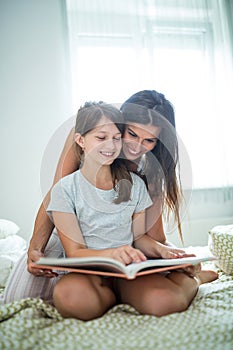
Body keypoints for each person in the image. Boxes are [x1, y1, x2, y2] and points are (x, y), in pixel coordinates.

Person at [3, 90, 218, 311]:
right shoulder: (89, 134)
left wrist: (175, 258)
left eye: (149, 140)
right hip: (74, 235)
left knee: (160, 289)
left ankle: (188, 280)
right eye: (132, 134)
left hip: (125, 248)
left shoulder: (146, 176)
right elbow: (55, 194)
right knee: (44, 296)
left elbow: (150, 235)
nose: (136, 147)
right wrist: (35, 247)